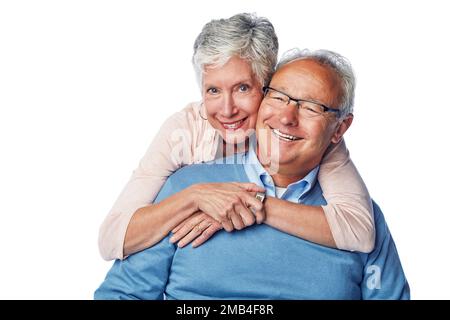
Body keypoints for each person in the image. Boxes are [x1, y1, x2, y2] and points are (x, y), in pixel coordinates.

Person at [94, 49, 409, 299]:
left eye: (311, 107)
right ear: (262, 100)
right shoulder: (186, 186)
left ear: (340, 129)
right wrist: (196, 198)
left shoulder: (358, 217)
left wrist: (254, 206)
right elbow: (122, 295)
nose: (287, 117)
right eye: (279, 97)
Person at [98, 13, 375, 261]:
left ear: (269, 87)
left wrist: (253, 206)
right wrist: (195, 197)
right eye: (213, 91)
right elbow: (112, 239)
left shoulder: (304, 135)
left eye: (243, 88)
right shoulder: (184, 129)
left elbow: (360, 232)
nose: (227, 110)